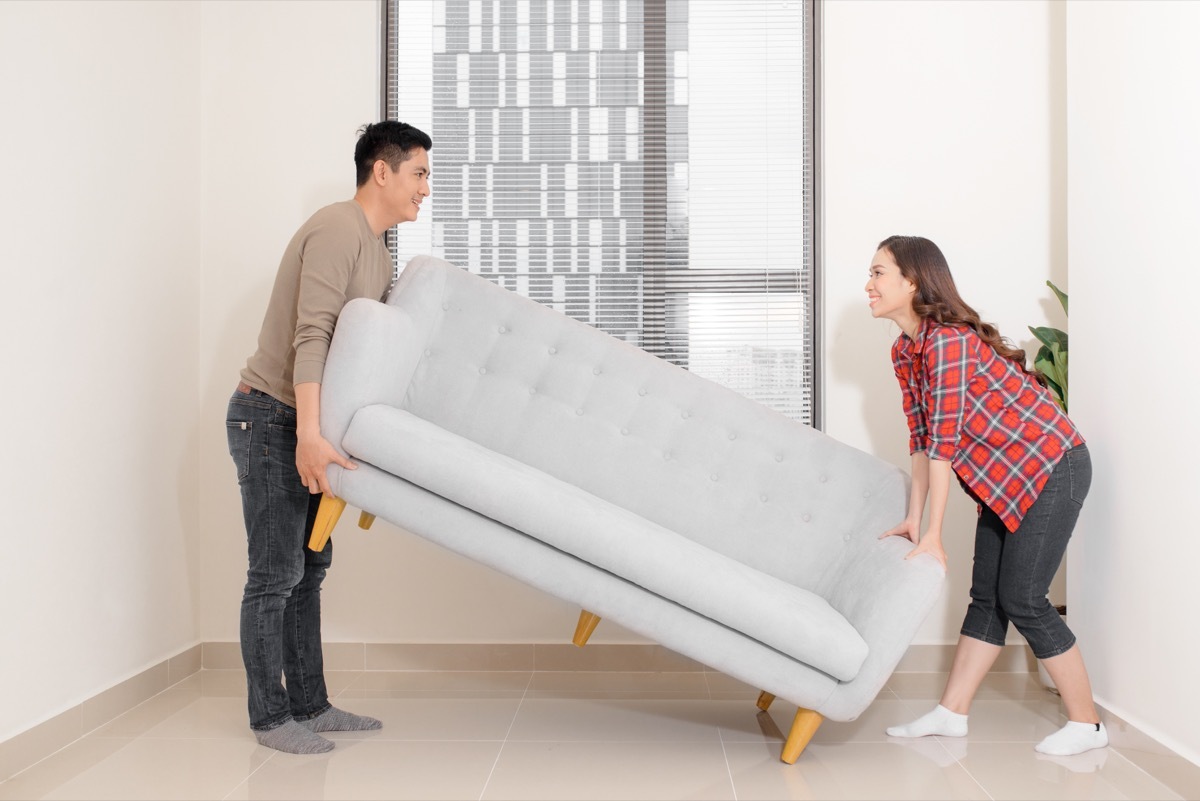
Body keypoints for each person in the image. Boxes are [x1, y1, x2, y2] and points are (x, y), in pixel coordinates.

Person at [225, 121, 432, 754]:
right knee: (274, 574)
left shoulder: (378, 251)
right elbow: (310, 335)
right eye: (419, 173)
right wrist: (309, 435)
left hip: (305, 418)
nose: (426, 189)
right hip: (269, 415)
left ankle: (310, 705)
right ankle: (270, 719)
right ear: (382, 171)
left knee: (310, 566)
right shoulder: (340, 228)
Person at [865, 235, 1107, 757]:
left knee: (1022, 596)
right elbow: (922, 437)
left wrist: (934, 534)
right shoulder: (906, 349)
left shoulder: (947, 342)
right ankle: (951, 714)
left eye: (879, 273)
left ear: (912, 281)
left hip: (1050, 467)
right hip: (1003, 479)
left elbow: (945, 445)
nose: (870, 284)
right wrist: (914, 519)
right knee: (986, 597)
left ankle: (1087, 724)